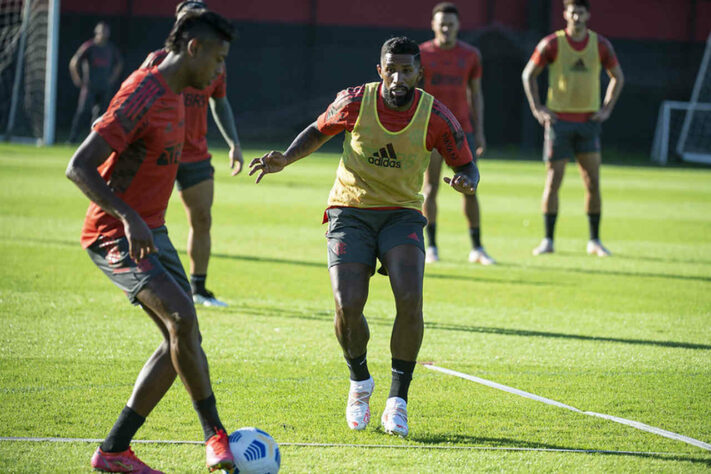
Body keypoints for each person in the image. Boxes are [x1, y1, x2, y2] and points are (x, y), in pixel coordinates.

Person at [249, 36, 479, 438]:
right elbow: (318, 130)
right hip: (350, 210)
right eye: (391, 68)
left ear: (418, 74)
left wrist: (466, 181)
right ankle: (359, 382)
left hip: (402, 214)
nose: (398, 76)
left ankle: (397, 401)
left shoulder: (436, 116)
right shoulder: (355, 101)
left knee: (409, 298)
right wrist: (285, 157)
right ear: (380, 70)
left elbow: (468, 164)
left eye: (406, 69)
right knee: (347, 303)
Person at [65, 10, 236, 473]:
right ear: (194, 50)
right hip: (114, 233)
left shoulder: (181, 88)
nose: (221, 71)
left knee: (182, 337)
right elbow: (79, 165)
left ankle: (114, 451)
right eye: (217, 60)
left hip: (150, 230)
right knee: (182, 318)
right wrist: (128, 217)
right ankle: (215, 437)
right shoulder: (143, 92)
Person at [141, 0, 243, 307]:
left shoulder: (215, 64)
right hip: (157, 152)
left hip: (195, 153)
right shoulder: (158, 61)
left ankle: (198, 288)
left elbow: (220, 103)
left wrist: (233, 143)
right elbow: (134, 101)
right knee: (147, 219)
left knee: (202, 218)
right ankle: (142, 282)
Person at [522, 0, 624, 256]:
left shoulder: (600, 45)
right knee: (553, 181)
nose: (576, 16)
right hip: (559, 122)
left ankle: (594, 241)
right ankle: (548, 240)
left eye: (581, 12)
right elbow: (528, 74)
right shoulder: (552, 44)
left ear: (587, 14)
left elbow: (618, 77)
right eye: (572, 11)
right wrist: (538, 109)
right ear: (565, 14)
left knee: (593, 183)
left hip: (588, 122)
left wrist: (606, 109)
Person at [420, 2, 495, 265]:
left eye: (450, 24)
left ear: (458, 26)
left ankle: (477, 247)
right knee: (430, 188)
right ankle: (432, 247)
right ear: (433, 24)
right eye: (441, 23)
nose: (446, 28)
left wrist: (481, 131)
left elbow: (477, 94)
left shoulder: (471, 55)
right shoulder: (421, 54)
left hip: (463, 131)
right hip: (430, 133)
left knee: (470, 188)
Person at [67, 21, 123, 143]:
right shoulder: (89, 47)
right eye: (101, 31)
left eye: (105, 31)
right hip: (90, 86)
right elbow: (74, 62)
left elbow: (119, 64)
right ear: (96, 32)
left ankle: (93, 140)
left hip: (104, 87)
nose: (103, 34)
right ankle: (72, 139)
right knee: (83, 112)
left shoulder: (110, 48)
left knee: (101, 114)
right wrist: (77, 78)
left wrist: (112, 79)